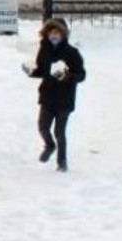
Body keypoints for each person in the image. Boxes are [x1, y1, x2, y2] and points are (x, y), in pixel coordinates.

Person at [23, 17, 86, 172]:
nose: (54, 35)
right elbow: (42, 71)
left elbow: (81, 74)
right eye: (51, 32)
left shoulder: (72, 53)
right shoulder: (44, 50)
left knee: (60, 132)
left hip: (65, 99)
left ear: (64, 35)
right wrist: (31, 71)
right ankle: (50, 146)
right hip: (47, 96)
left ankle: (62, 162)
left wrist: (67, 76)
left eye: (57, 32)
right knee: (43, 127)